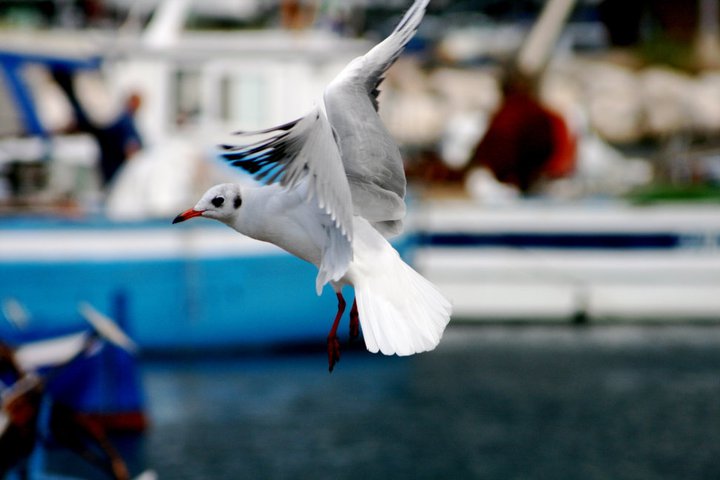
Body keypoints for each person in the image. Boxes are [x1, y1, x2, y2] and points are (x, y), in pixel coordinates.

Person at [51, 66, 143, 187]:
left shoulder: (123, 123)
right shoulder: (125, 123)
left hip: (112, 177)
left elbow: (131, 151)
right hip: (115, 179)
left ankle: (62, 77)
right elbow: (132, 153)